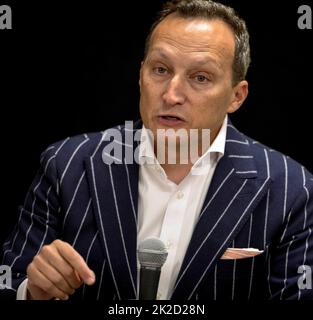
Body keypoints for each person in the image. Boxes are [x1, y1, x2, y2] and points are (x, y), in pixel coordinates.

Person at [1, 0, 312, 300]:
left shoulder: (291, 188)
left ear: (236, 96)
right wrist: (32, 292)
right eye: (160, 70)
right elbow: (10, 280)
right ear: (140, 76)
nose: (172, 93)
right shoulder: (67, 165)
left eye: (200, 77)